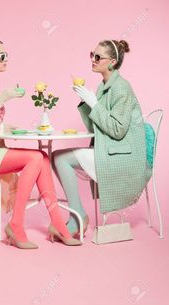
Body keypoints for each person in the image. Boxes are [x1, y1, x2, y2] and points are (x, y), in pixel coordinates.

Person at [0, 35, 81, 248]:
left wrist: (6, 126)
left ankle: (57, 223)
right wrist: (1, 98)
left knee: (43, 157)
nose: (6, 59)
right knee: (35, 159)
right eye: (1, 56)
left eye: (6, 55)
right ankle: (16, 225)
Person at [52, 39, 152, 236]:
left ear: (112, 62)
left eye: (98, 57)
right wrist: (85, 102)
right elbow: (96, 127)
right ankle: (77, 214)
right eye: (92, 54)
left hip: (123, 155)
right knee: (57, 157)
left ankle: (77, 217)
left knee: (60, 158)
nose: (93, 60)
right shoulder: (104, 86)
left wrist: (94, 104)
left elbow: (117, 129)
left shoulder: (121, 88)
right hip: (109, 148)